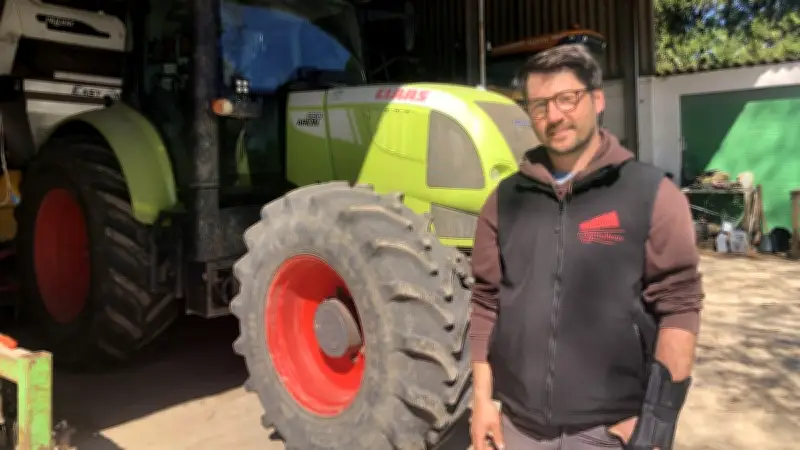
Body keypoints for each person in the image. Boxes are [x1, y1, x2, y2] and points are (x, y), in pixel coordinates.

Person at [468, 44, 704, 450]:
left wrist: (655, 425)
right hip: (518, 429)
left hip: (609, 432)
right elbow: (485, 302)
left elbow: (679, 307)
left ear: (596, 100)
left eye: (566, 99)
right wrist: (482, 402)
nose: (553, 116)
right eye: (539, 105)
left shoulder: (651, 194)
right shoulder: (504, 200)